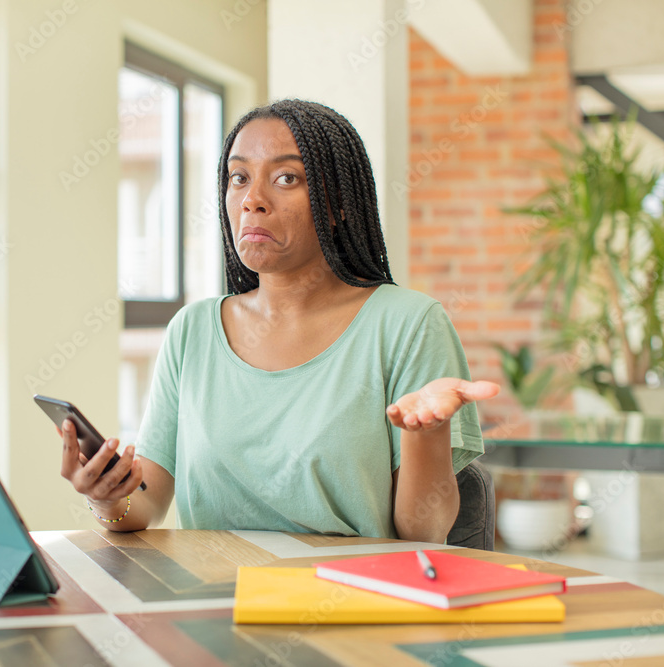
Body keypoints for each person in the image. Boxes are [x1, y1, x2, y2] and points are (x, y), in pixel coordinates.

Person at [60, 99, 499, 543]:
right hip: (215, 596)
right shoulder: (191, 331)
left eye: (286, 178)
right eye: (239, 178)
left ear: (338, 205)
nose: (252, 200)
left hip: (347, 598)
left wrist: (428, 432)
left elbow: (422, 531)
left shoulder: (409, 325)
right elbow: (147, 505)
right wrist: (107, 497)